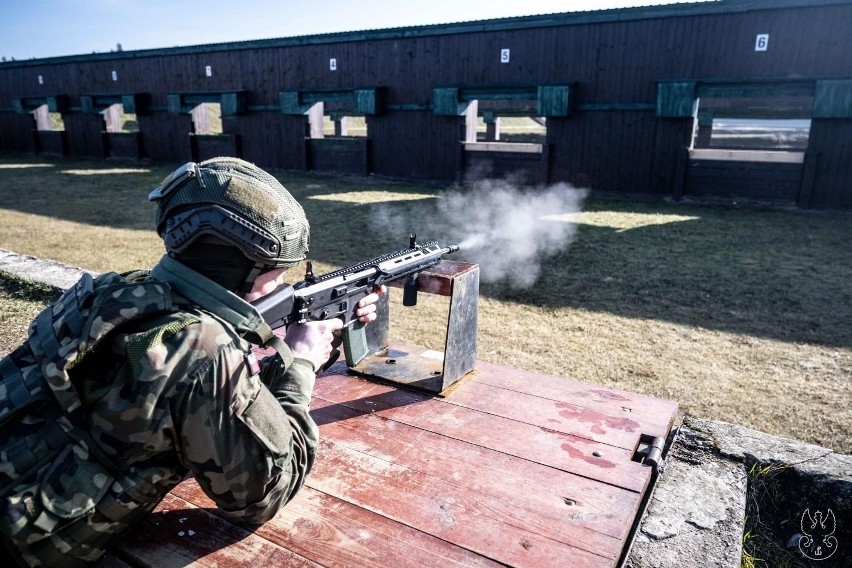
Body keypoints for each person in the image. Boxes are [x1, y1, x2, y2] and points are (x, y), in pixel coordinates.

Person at [0, 157, 384, 566]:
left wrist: (289, 354)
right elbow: (263, 495)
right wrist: (301, 363)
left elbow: (183, 400)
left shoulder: (118, 293)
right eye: (275, 276)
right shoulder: (203, 349)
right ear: (241, 271)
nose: (283, 285)